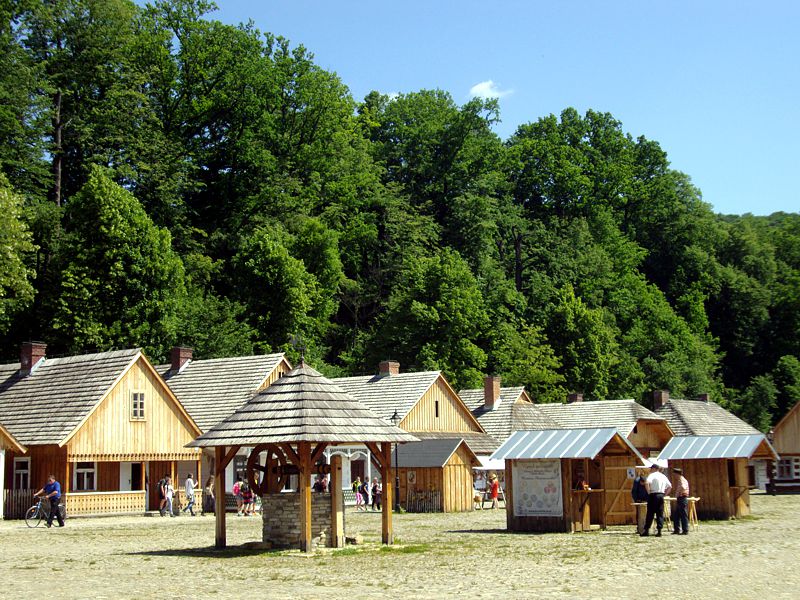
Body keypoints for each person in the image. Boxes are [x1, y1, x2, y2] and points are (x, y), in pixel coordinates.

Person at [642, 463, 671, 537]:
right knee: (660, 513)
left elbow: (646, 483)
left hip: (653, 494)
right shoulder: (663, 476)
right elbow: (670, 486)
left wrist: (648, 492)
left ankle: (646, 530)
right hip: (661, 495)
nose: (650, 470)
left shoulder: (652, 475)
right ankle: (659, 531)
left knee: (650, 513)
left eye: (651, 468)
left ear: (654, 469)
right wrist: (665, 494)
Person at [672, 467, 690, 535]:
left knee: (683, 515)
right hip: (680, 498)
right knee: (676, 515)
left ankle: (685, 530)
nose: (674, 476)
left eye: (674, 474)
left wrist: (680, 493)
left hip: (682, 498)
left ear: (677, 474)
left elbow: (683, 487)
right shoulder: (680, 479)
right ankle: (677, 529)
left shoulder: (682, 480)